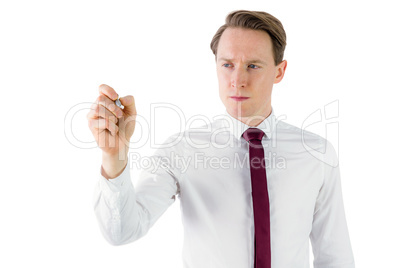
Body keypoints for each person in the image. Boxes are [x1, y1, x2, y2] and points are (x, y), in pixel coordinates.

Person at [87, 10, 354, 268]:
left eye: (253, 66)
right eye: (227, 65)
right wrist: (114, 155)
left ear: (279, 72)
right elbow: (121, 232)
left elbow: (335, 258)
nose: (237, 80)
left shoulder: (317, 154)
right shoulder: (181, 150)